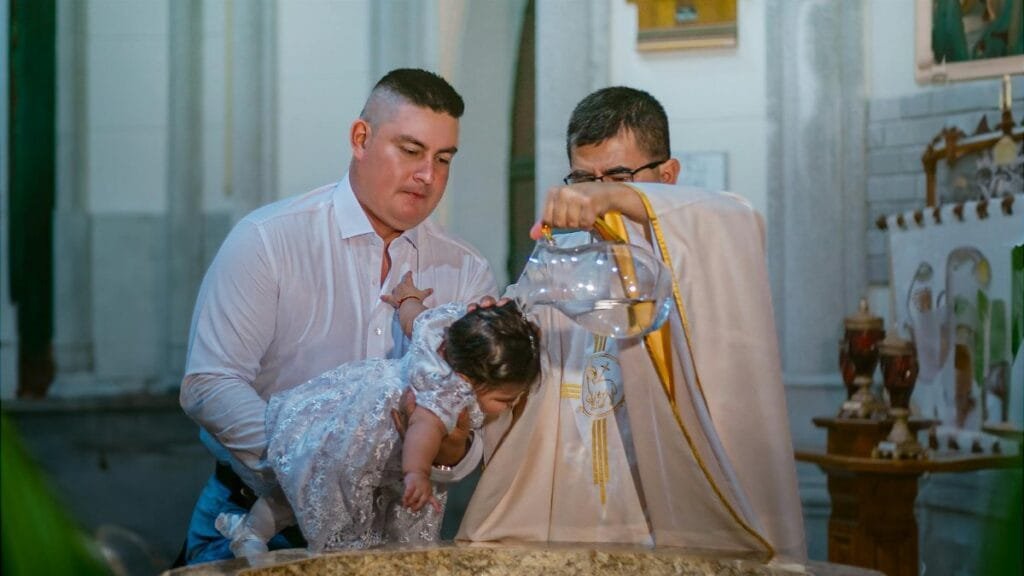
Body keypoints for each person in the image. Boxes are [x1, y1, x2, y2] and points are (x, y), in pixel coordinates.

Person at [458, 87, 808, 565]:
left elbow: (736, 218)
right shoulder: (558, 264)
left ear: (668, 176)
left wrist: (616, 197)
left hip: (673, 537)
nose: (593, 196)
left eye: (619, 175)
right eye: (583, 179)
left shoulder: (698, 253)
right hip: (566, 523)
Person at [177, 68, 497, 565]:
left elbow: (472, 433)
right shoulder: (268, 240)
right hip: (255, 521)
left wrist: (452, 443)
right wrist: (318, 469)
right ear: (360, 138)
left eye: (443, 159)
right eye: (410, 151)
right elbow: (209, 384)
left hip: (393, 537)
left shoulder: (466, 270)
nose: (427, 175)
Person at [214, 273, 540, 556]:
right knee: (329, 495)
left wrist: (407, 298)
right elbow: (422, 429)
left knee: (305, 480)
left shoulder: (443, 333)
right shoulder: (446, 392)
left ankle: (251, 530)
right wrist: (416, 473)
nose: (509, 405)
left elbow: (414, 319)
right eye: (504, 399)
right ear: (470, 379)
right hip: (365, 440)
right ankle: (255, 533)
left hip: (345, 414)